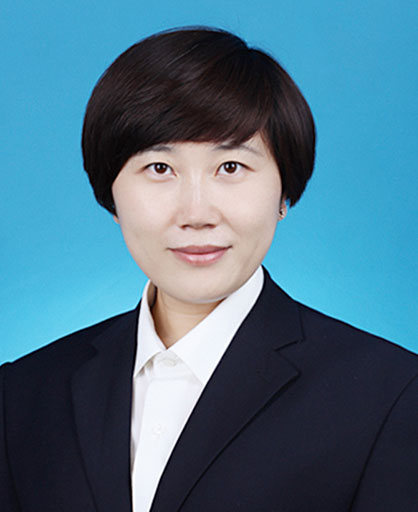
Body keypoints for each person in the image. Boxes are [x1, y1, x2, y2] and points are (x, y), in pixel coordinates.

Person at [1, 27, 417, 512]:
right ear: (111, 196)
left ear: (284, 193)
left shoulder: (390, 395)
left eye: (231, 167)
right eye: (160, 168)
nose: (196, 213)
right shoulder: (24, 394)